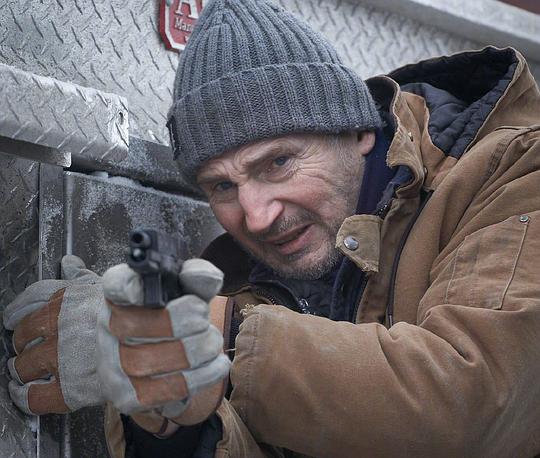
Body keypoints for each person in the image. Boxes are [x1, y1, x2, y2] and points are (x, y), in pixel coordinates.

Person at [3, 0, 540, 456]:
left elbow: (474, 406)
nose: (256, 216)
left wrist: (216, 333)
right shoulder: (241, 283)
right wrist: (172, 418)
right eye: (222, 186)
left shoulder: (513, 173)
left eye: (278, 163)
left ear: (358, 130)